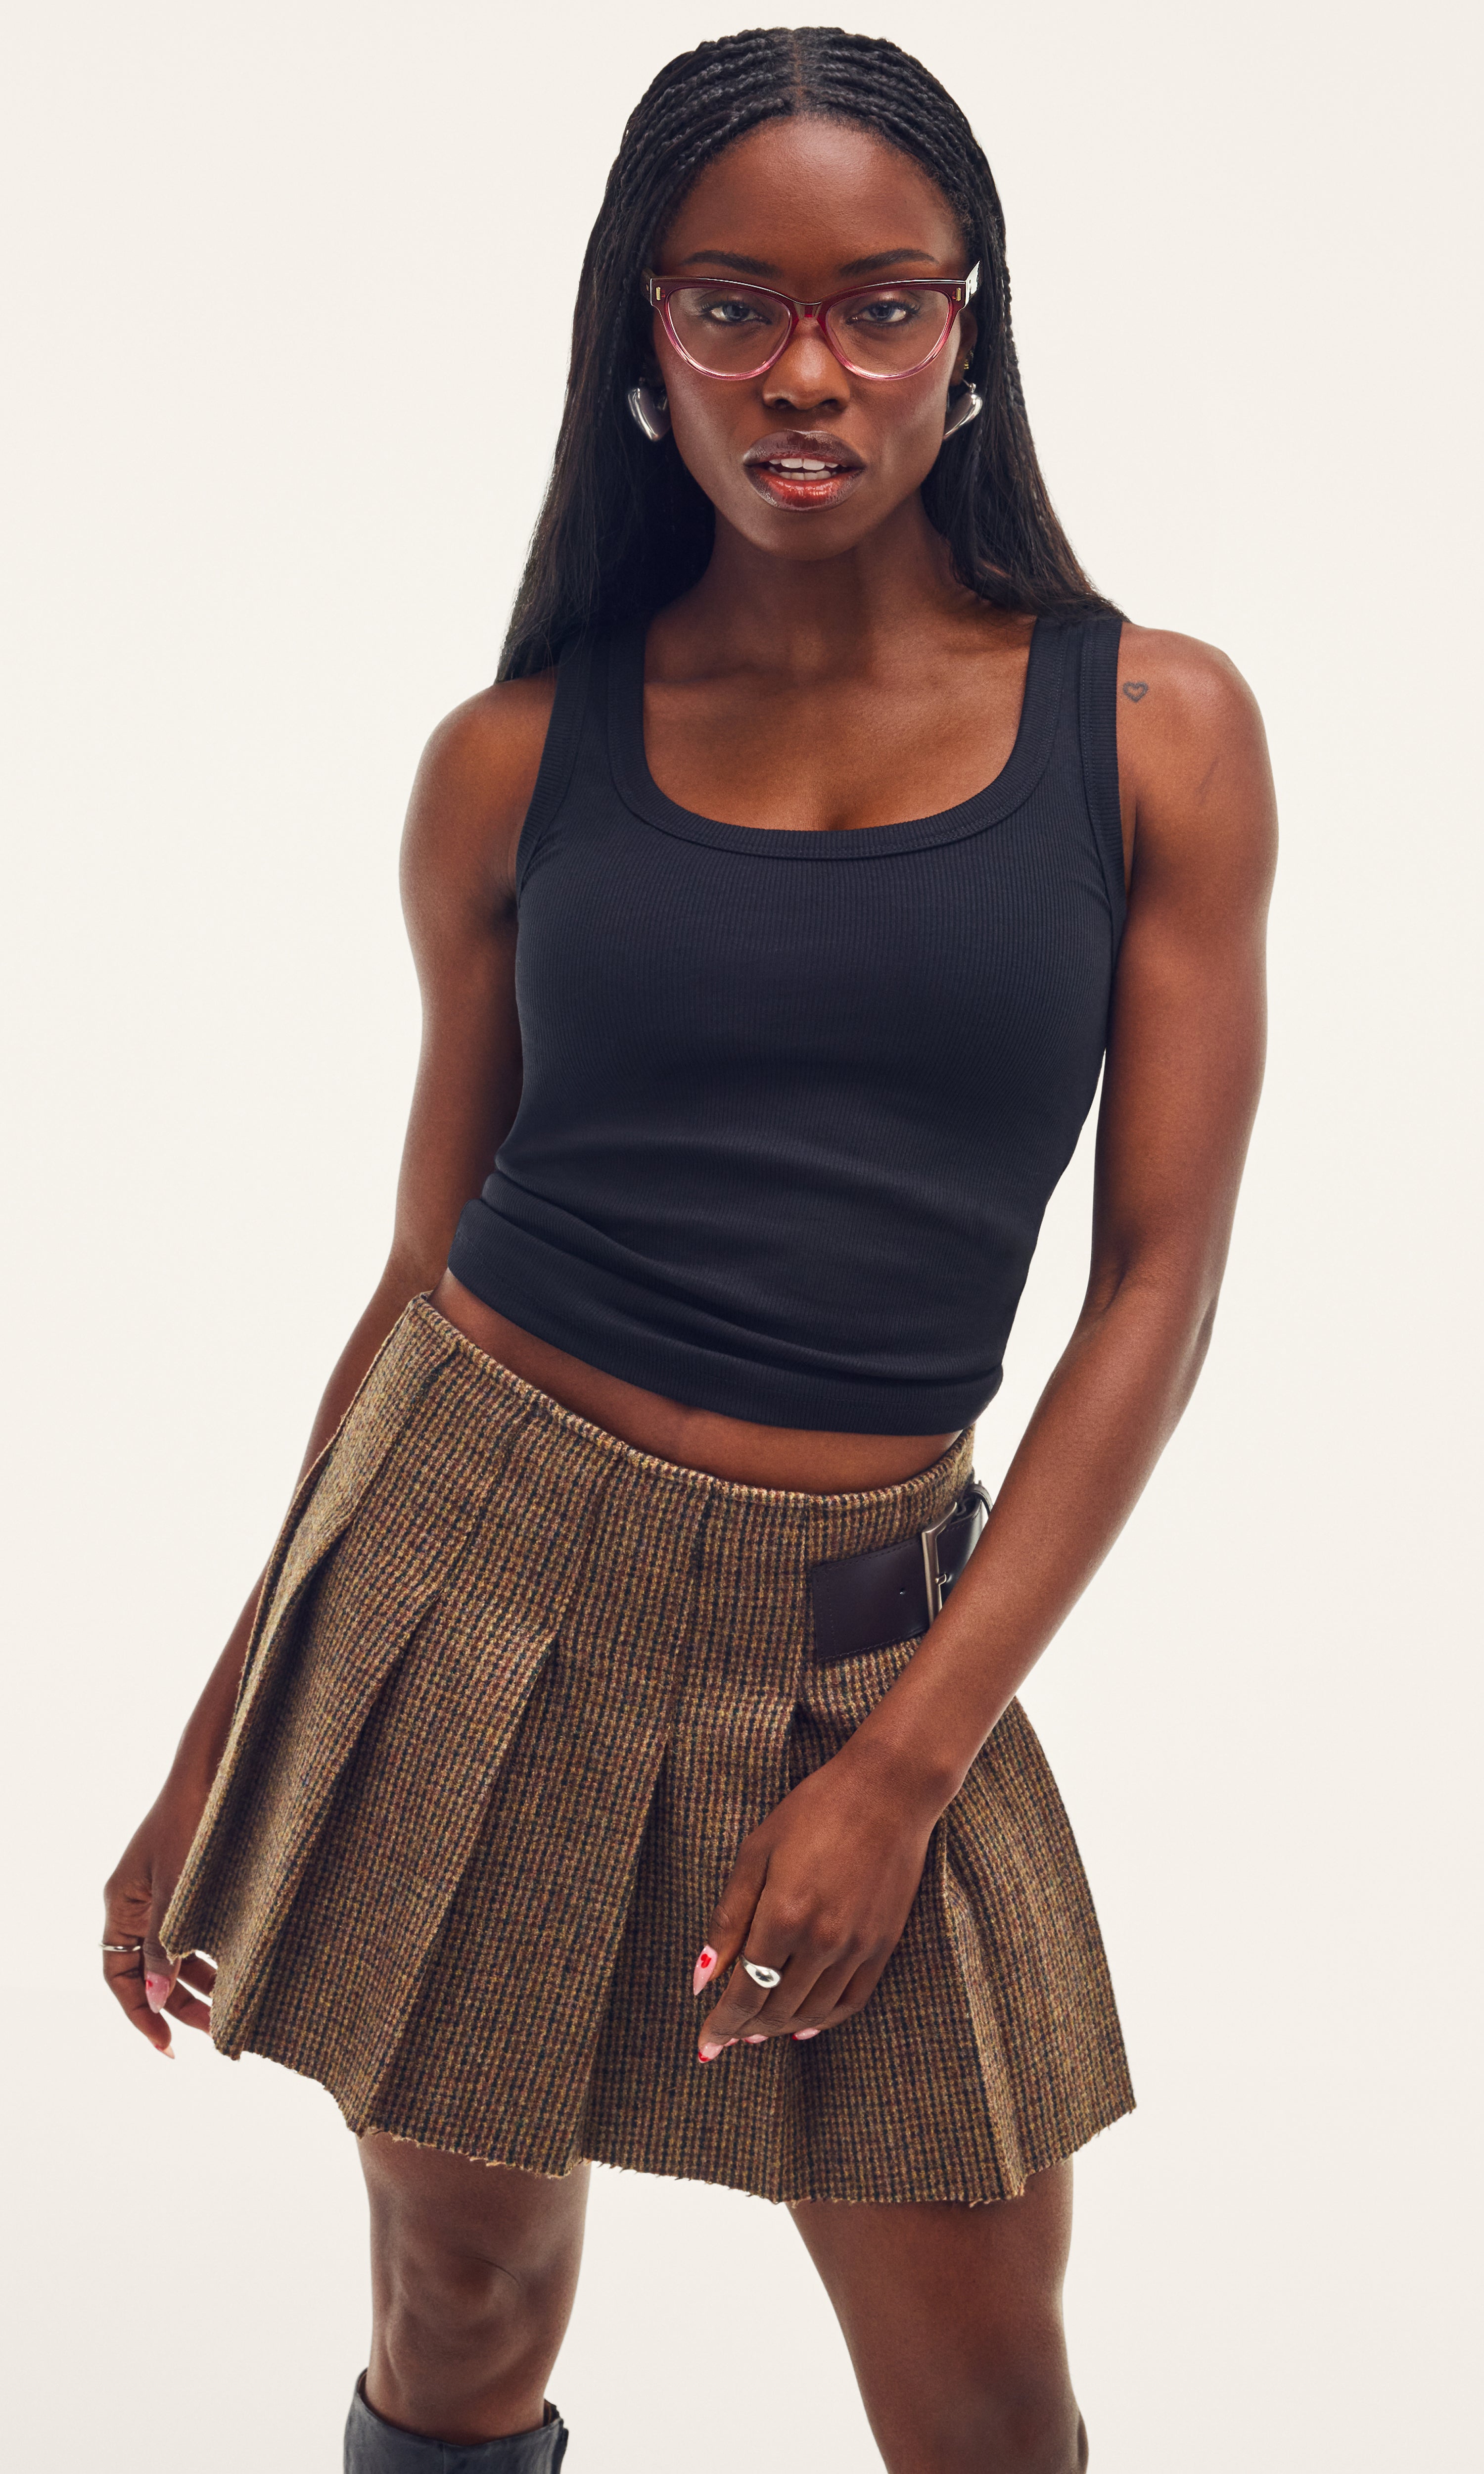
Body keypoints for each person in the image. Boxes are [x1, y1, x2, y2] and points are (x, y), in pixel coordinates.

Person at [102, 25, 1276, 2473]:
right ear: (643, 337)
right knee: (460, 2296)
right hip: (460, 1582)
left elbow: (1157, 1285)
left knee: (986, 2395)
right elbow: (423, 1267)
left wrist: (906, 1766)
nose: (806, 376)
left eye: (880, 305)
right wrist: (226, 1726)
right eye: (732, 308)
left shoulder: (1155, 728)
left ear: (972, 324)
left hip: (858, 1645)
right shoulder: (513, 758)